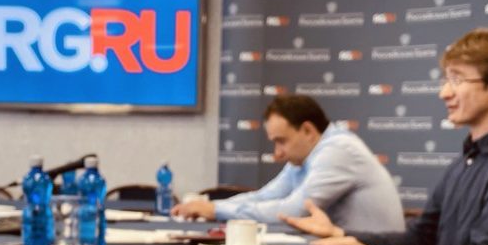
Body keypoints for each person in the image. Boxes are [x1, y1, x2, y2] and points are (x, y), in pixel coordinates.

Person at [283, 28, 488, 245]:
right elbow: (420, 237)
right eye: (446, 80)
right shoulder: (465, 162)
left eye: (457, 79)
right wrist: (343, 235)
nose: (444, 92)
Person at [171, 95, 403, 232]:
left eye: (281, 141)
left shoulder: (338, 150)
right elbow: (265, 196)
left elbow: (294, 211)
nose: (277, 154)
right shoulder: (307, 154)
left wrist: (216, 210)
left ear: (308, 131)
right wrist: (212, 206)